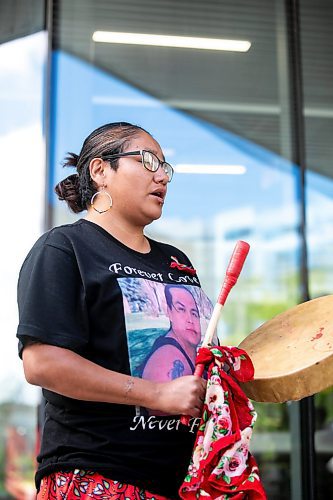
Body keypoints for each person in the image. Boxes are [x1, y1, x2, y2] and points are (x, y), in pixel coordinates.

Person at [16, 122, 212, 500]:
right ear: (100, 170)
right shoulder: (64, 248)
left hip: (183, 480)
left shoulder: (177, 261)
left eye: (166, 168)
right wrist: (155, 393)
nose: (162, 176)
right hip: (98, 476)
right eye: (149, 160)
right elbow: (42, 363)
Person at [141, 285, 202, 381]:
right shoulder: (166, 358)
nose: (190, 320)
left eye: (194, 313)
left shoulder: (189, 350)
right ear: (169, 313)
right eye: (181, 309)